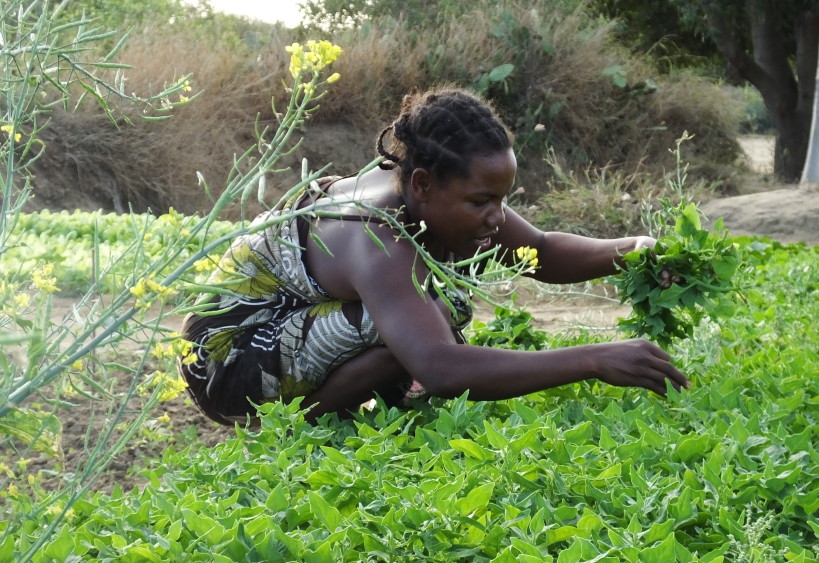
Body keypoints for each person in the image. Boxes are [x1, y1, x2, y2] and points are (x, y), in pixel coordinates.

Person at [179, 86, 688, 425]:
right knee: (426, 320)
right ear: (422, 185)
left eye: (502, 199)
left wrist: (637, 250)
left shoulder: (428, 183)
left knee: (426, 315)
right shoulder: (377, 238)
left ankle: (358, 404)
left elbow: (543, 251)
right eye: (482, 201)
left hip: (289, 326)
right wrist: (594, 358)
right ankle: (295, 427)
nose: (497, 216)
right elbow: (442, 367)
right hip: (226, 359)